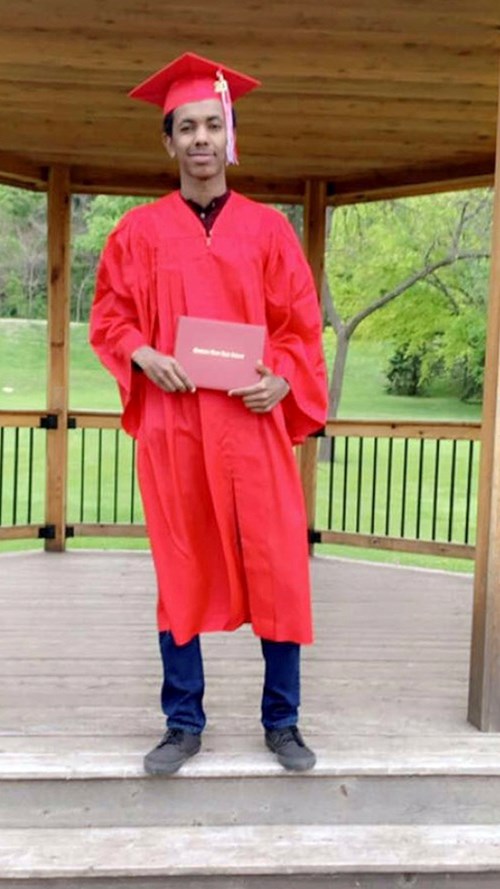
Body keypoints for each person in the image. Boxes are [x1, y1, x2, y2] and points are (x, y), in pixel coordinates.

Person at [90, 52, 328, 775]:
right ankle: (182, 721)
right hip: (176, 426)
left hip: (252, 426)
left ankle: (282, 721)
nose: (201, 138)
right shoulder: (137, 232)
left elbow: (300, 326)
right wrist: (141, 354)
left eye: (212, 125)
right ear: (168, 142)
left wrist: (283, 378)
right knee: (181, 563)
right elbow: (110, 318)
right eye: (187, 127)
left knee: (277, 563)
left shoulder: (269, 230)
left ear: (230, 136)